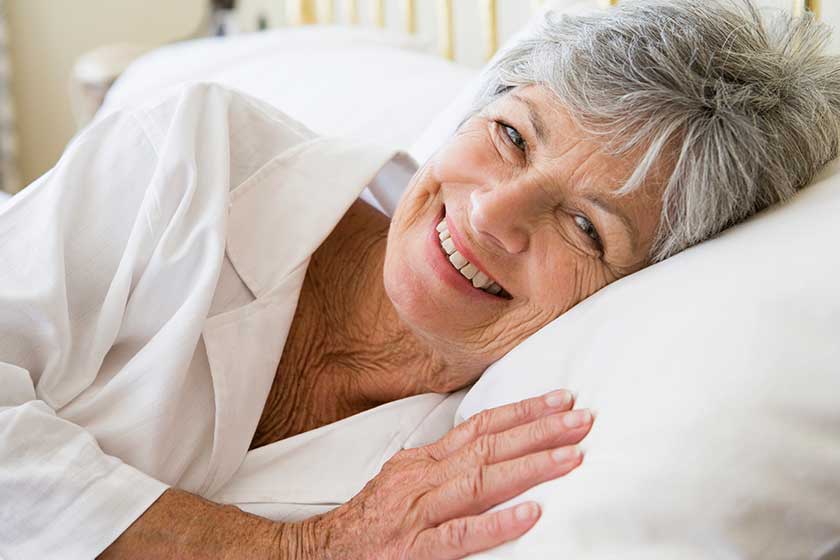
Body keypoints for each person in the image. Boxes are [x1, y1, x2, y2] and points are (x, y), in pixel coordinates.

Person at [2, 0, 839, 558]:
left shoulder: (488, 457)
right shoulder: (197, 154)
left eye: (585, 226)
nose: (492, 214)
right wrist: (301, 549)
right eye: (512, 136)